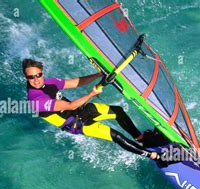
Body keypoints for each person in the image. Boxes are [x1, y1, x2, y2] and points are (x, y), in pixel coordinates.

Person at [23, 58, 162, 162]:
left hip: (83, 110)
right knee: (117, 136)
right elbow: (71, 106)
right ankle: (153, 156)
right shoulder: (36, 100)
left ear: (42, 73)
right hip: (76, 124)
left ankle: (140, 138)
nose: (36, 80)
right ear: (26, 77)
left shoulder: (49, 82)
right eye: (31, 77)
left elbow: (76, 82)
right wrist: (91, 94)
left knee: (118, 111)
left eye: (38, 75)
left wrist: (99, 74)